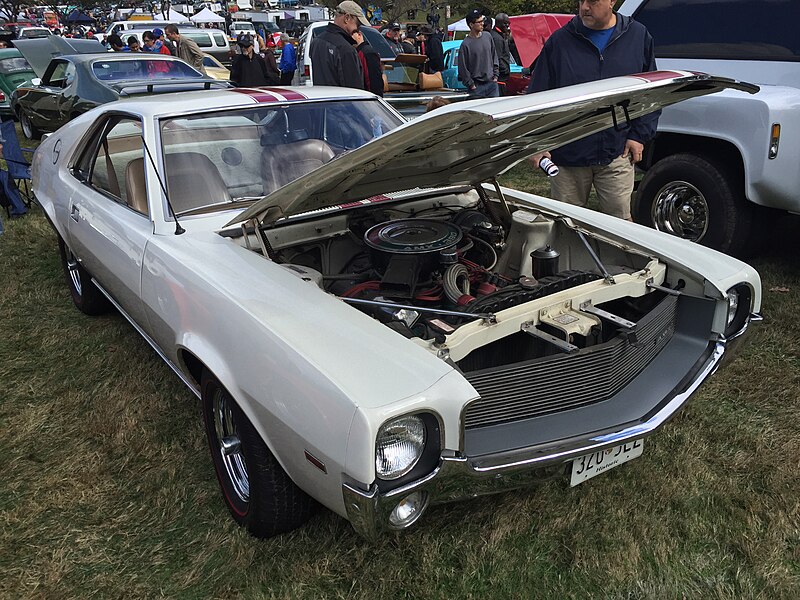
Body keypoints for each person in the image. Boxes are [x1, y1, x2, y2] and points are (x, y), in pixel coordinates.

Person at [528, 0, 658, 221]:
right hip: (568, 155)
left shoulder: (638, 36)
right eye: (581, 1)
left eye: (593, 1)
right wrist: (537, 143)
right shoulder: (560, 42)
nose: (584, 7)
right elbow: (537, 97)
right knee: (565, 227)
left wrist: (639, 135)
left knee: (621, 230)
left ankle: (616, 257)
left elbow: (650, 92)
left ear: (612, 1)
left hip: (616, 152)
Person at [310, 1, 368, 89]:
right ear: (347, 18)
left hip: (321, 100)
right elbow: (354, 91)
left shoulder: (316, 41)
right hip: (341, 101)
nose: (358, 29)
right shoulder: (345, 49)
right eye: (358, 24)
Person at [457, 9, 499, 98]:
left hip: (492, 84)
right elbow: (463, 69)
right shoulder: (465, 45)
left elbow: (494, 56)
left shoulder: (488, 36)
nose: (482, 24)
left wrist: (495, 76)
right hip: (477, 87)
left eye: (482, 21)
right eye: (479, 22)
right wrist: (471, 84)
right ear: (471, 25)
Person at [352, 28, 382, 96]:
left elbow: (373, 82)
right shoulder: (357, 52)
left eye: (352, 34)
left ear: (359, 35)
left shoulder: (367, 53)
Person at [489, 13, 512, 88]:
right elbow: (497, 58)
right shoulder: (497, 38)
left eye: (508, 23)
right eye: (506, 23)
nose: (508, 26)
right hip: (500, 76)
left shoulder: (498, 35)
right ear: (499, 23)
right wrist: (505, 70)